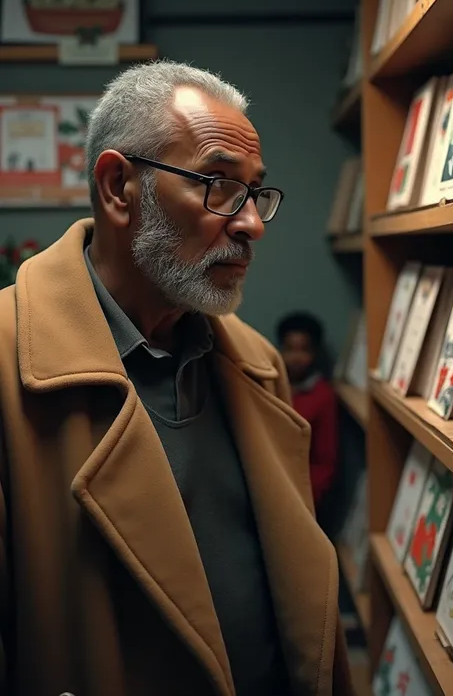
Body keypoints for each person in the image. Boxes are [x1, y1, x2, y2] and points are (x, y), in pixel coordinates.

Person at [0, 61, 354, 696]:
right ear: (117, 187)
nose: (250, 224)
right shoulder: (7, 363)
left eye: (256, 193)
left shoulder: (257, 364)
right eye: (218, 186)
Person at [277, 313, 338, 508]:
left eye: (304, 350)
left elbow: (325, 458)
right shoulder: (269, 384)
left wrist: (307, 498)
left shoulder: (322, 396)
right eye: (289, 349)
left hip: (300, 493)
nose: (296, 358)